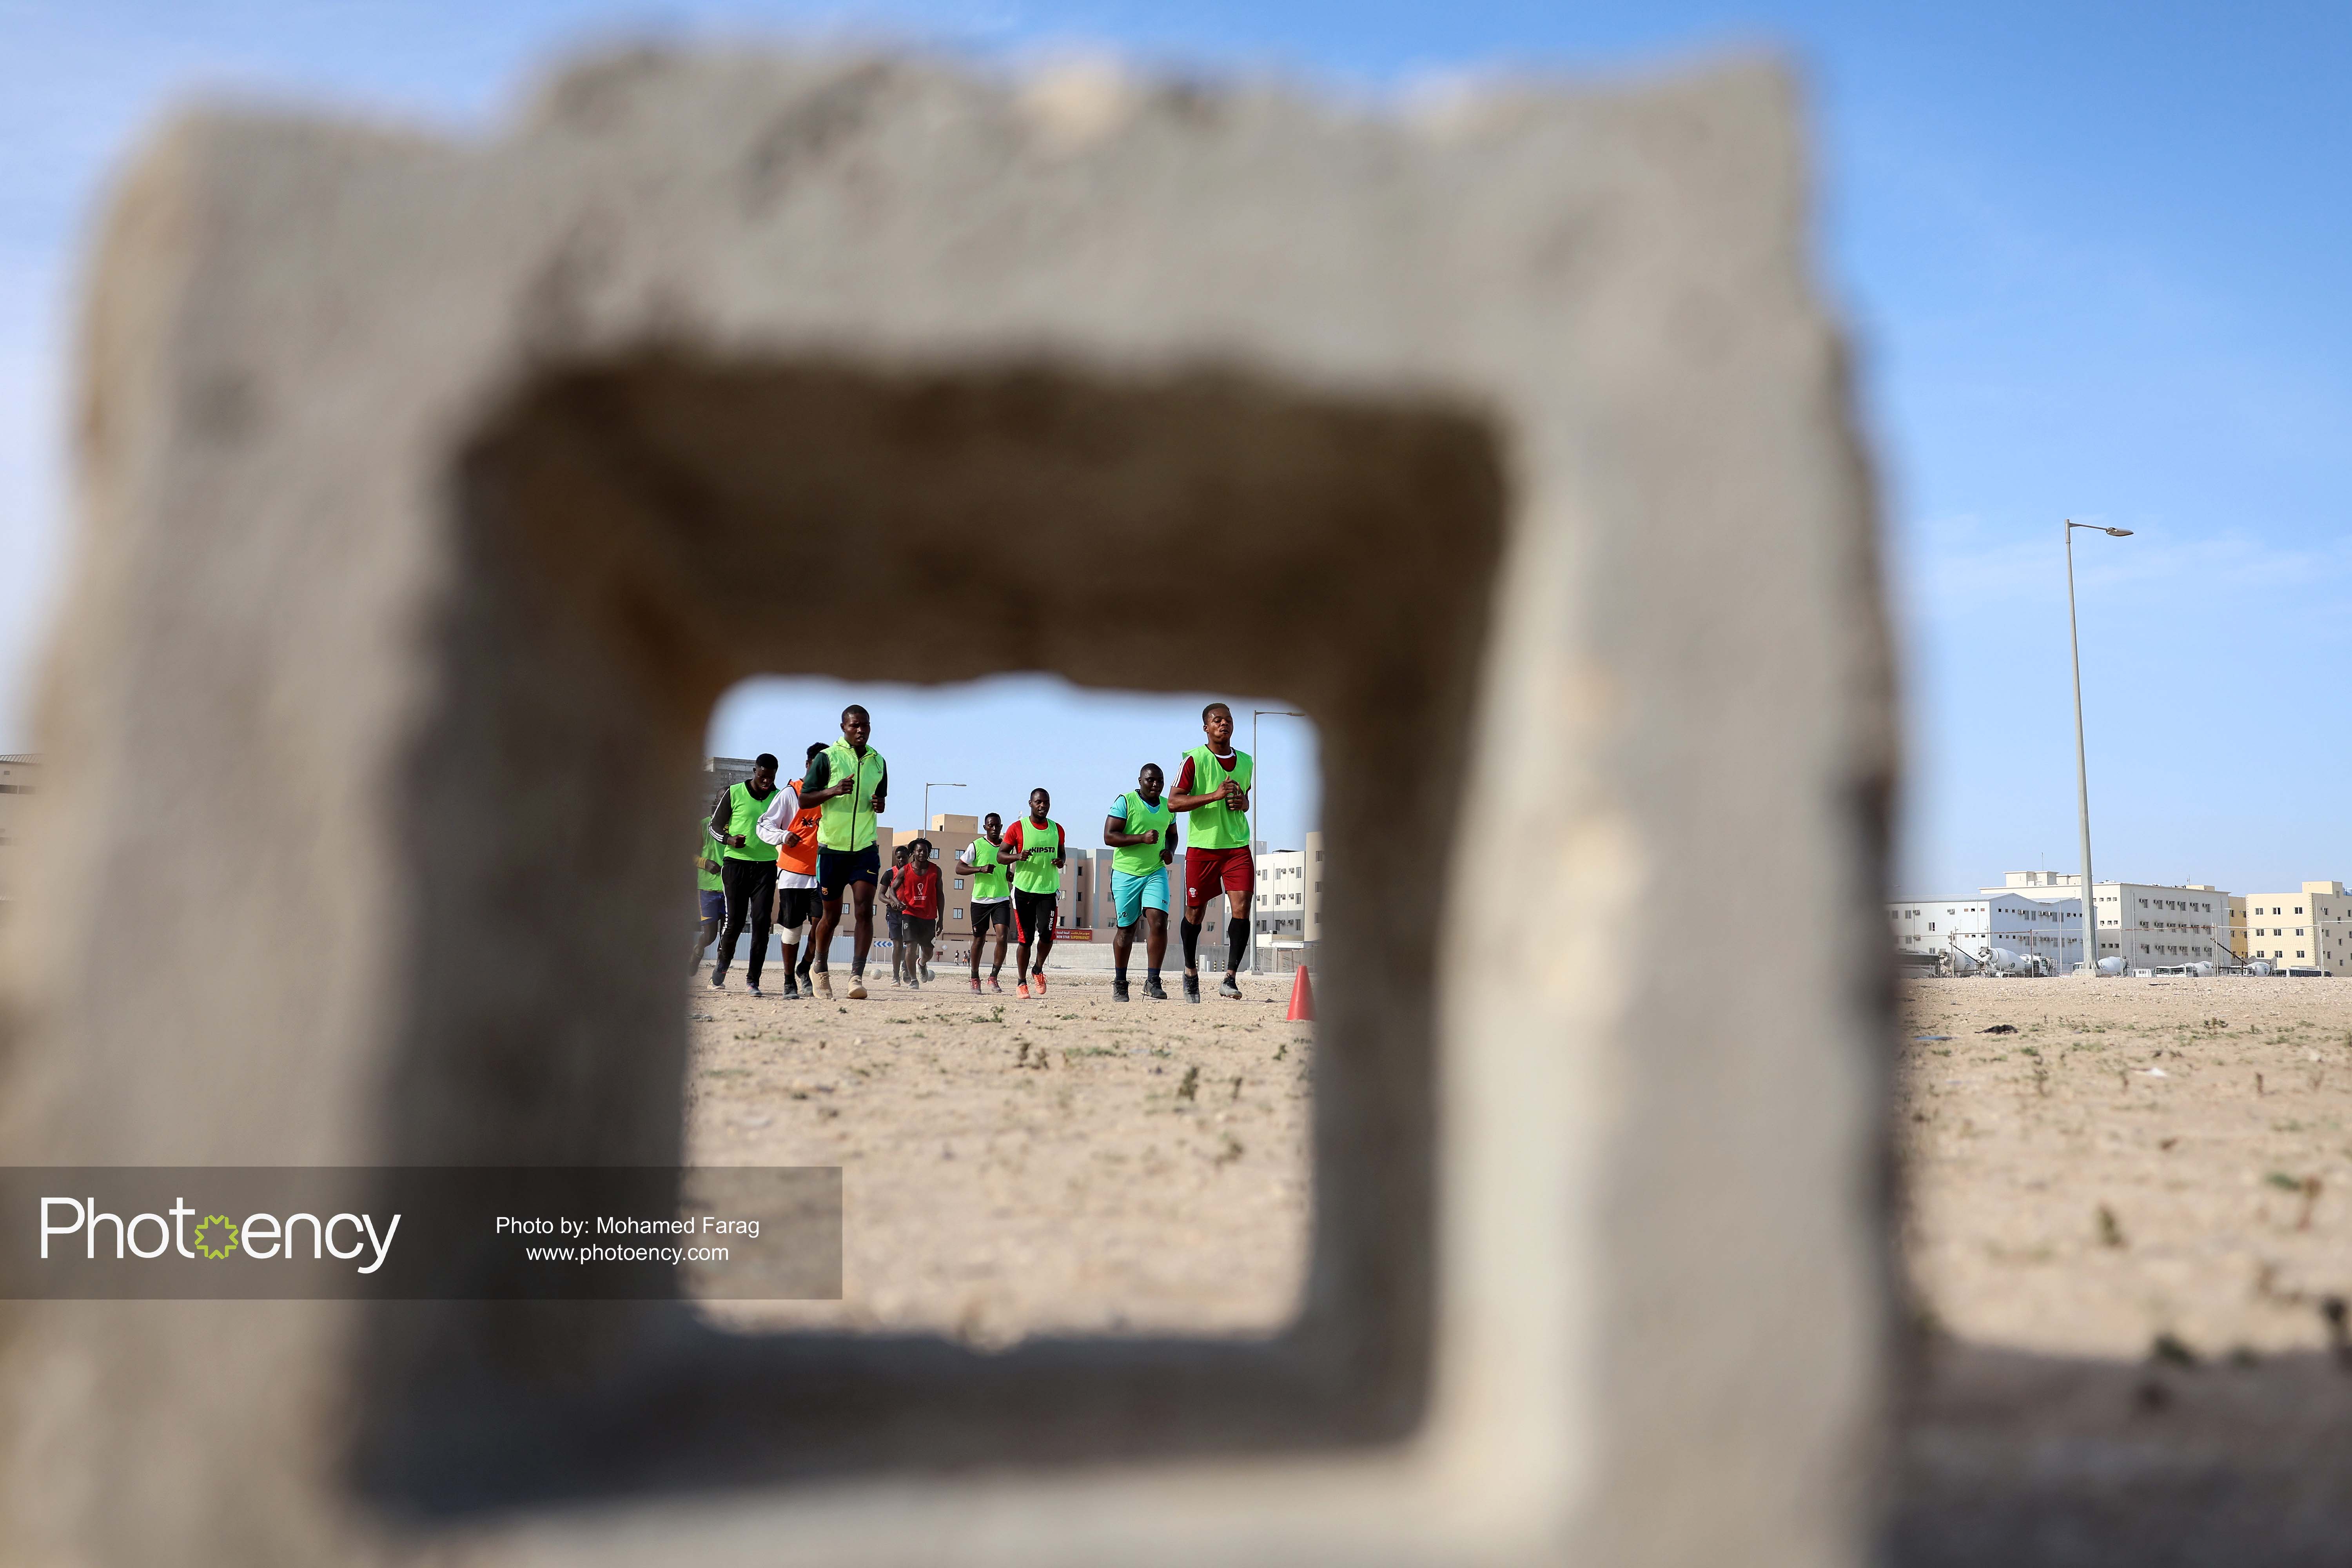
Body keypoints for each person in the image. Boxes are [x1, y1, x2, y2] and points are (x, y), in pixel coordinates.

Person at [1169, 702, 1253, 1001]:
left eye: (1228, 720)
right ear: (1206, 727)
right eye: (1217, 720)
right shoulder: (1194, 759)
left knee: (1242, 908)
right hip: (1203, 847)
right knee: (1195, 912)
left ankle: (1230, 978)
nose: (1224, 724)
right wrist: (1214, 795)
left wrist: (1241, 802)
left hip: (1237, 847)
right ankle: (1190, 970)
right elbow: (1174, 803)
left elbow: (1246, 800)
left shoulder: (1246, 761)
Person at [802, 705, 888, 1000]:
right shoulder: (828, 758)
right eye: (855, 726)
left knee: (865, 910)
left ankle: (856, 977)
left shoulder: (879, 761)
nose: (861, 730)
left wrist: (880, 805)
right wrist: (834, 790)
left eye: (865, 725)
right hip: (831, 851)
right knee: (831, 916)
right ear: (843, 727)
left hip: (865, 848)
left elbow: (882, 799)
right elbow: (805, 798)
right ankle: (820, 967)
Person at [754, 742, 828, 1000]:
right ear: (808, 765)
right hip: (793, 874)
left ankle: (804, 968)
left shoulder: (832, 798)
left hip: (822, 874)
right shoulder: (790, 794)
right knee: (793, 930)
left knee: (822, 928)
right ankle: (789, 982)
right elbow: (763, 825)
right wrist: (784, 836)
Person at [705, 753, 781, 995]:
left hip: (767, 867)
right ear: (754, 771)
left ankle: (753, 981)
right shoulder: (735, 792)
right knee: (735, 922)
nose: (767, 781)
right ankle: (721, 969)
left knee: (761, 923)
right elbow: (714, 826)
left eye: (771, 777)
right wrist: (729, 839)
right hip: (736, 865)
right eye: (763, 776)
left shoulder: (779, 797)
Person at [1104, 762, 1176, 1001]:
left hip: (1155, 872)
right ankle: (1121, 982)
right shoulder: (1125, 802)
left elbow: (1173, 837)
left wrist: (1169, 851)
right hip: (1126, 874)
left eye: (1160, 781)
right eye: (1150, 780)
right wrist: (1141, 838)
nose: (1156, 785)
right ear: (1140, 781)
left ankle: (1153, 981)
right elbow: (1109, 837)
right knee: (1127, 929)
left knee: (1158, 922)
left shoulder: (1169, 807)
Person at [1002, 787, 1066, 999]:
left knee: (1047, 936)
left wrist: (1061, 861)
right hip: (1024, 892)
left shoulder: (1057, 829)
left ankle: (1038, 970)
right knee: (1026, 939)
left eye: (1046, 802)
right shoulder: (1018, 828)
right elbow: (1001, 856)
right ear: (1030, 803)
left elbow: (1062, 853)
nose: (1043, 806)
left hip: (1048, 890)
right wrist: (1018, 856)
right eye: (1038, 802)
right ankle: (1021, 982)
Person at [960, 811, 1014, 994]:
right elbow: (959, 868)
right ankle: (975, 978)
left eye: (997, 825)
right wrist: (980, 869)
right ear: (985, 827)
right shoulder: (976, 845)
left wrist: (1010, 876)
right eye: (990, 825)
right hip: (981, 899)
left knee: (1002, 937)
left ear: (1001, 827)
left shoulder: (1007, 847)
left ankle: (994, 977)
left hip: (1001, 898)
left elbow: (1006, 871)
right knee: (980, 939)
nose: (994, 828)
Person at [891, 838, 944, 990]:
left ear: (929, 853)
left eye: (925, 851)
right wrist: (896, 902)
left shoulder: (936, 870)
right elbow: (892, 890)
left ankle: (922, 963)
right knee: (910, 948)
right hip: (910, 914)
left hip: (928, 917)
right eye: (919, 851)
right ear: (913, 853)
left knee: (928, 952)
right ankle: (914, 980)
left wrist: (941, 920)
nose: (922, 853)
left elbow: (940, 895)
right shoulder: (905, 870)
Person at [692, 821, 726, 972]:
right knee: (709, 936)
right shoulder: (703, 825)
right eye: (720, 797)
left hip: (732, 889)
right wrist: (705, 863)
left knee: (726, 939)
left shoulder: (739, 822)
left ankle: (718, 976)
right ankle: (695, 956)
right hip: (708, 888)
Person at [877, 844, 911, 986]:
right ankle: (895, 976)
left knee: (911, 946)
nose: (901, 860)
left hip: (910, 913)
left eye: (904, 857)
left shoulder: (913, 872)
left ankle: (907, 970)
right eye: (899, 858)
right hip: (894, 914)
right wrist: (891, 901)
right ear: (896, 858)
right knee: (897, 945)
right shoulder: (890, 873)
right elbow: (881, 895)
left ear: (909, 856)